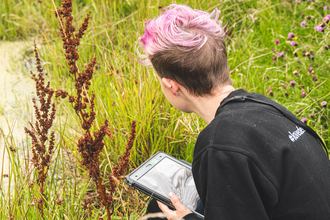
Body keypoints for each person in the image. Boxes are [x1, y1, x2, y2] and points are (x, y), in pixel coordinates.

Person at [137, 4, 330, 220]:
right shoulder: (263, 106)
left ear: (172, 86)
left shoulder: (219, 145)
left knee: (158, 216)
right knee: (161, 203)